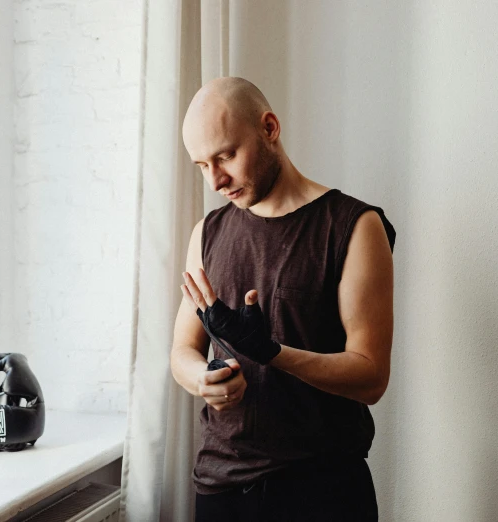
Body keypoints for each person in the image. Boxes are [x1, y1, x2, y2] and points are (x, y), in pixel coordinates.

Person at [172, 77, 396, 521]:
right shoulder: (208, 233)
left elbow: (371, 377)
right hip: (220, 491)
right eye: (201, 165)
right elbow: (183, 350)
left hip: (322, 492)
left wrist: (273, 353)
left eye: (226, 156)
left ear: (269, 128)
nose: (216, 179)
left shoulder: (354, 226)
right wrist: (205, 379)